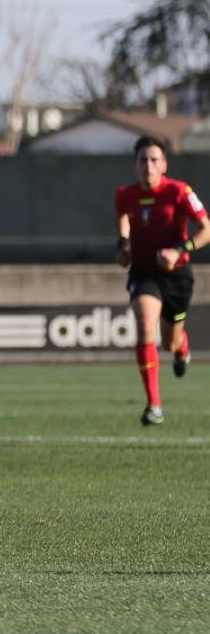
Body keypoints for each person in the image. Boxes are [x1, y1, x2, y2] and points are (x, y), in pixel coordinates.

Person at [115, 135, 210, 426]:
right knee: (145, 323)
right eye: (143, 160)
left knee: (170, 341)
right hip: (144, 272)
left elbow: (206, 229)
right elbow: (124, 219)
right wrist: (123, 246)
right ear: (136, 165)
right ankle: (154, 404)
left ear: (164, 164)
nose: (149, 165)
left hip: (177, 276)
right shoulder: (125, 194)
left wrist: (181, 251)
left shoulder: (180, 191)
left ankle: (182, 349)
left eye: (154, 159)